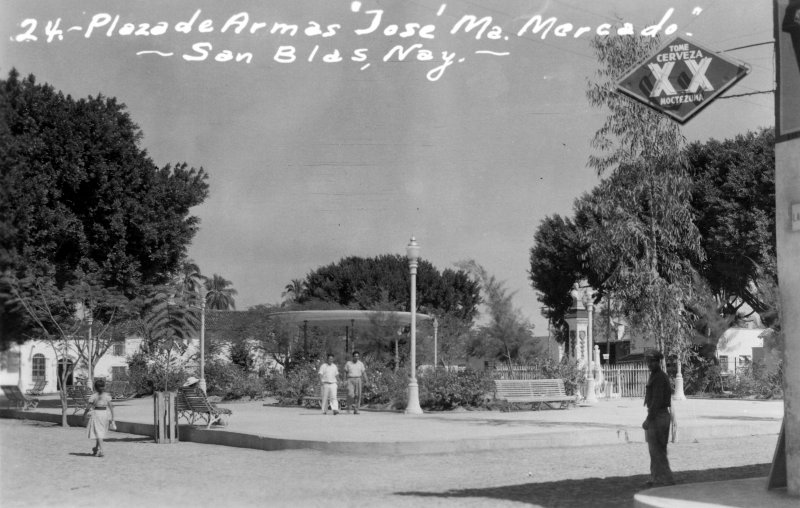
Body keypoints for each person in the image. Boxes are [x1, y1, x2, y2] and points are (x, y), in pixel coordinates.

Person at [643, 351, 675, 486]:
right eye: (648, 362)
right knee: (654, 450)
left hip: (659, 416)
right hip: (657, 415)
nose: (650, 364)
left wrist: (648, 420)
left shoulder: (660, 378)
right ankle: (656, 477)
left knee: (658, 450)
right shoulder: (655, 376)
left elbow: (656, 401)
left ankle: (666, 479)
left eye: (653, 361)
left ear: (658, 362)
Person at [86, 378, 115, 457]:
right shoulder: (107, 395)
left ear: (95, 387)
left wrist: (84, 414)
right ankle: (96, 448)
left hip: (97, 414)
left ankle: (102, 450)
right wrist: (112, 417)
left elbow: (89, 406)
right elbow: (111, 407)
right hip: (105, 414)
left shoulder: (94, 396)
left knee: (98, 432)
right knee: (101, 431)